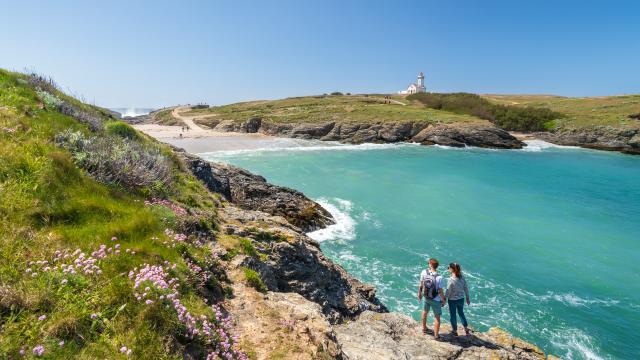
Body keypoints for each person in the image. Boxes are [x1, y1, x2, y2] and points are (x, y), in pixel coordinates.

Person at [417, 258, 446, 339]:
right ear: (437, 266)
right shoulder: (439, 277)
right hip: (435, 299)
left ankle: (424, 328)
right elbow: (440, 291)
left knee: (424, 312)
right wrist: (443, 300)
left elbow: (421, 284)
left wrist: (419, 293)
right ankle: (436, 335)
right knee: (437, 317)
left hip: (426, 296)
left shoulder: (424, 272)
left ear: (430, 265)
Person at [445, 263, 471, 336]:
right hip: (461, 299)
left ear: (452, 269)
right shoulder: (462, 277)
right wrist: (468, 298)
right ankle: (466, 329)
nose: (448, 269)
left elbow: (448, 291)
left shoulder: (451, 280)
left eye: (449, 267)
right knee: (461, 313)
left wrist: (444, 299)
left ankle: (454, 331)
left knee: (453, 315)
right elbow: (465, 288)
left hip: (452, 300)